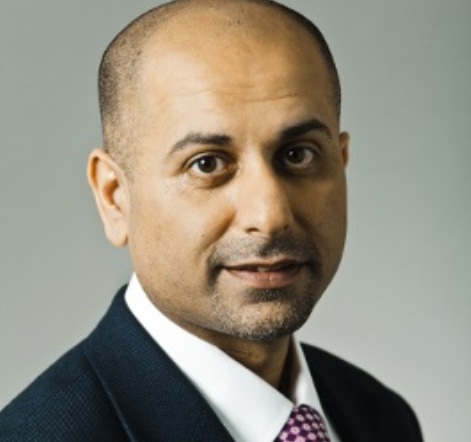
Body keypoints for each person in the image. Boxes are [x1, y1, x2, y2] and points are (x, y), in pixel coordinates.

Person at [0, 0, 423, 440]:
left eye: (298, 155)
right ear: (114, 197)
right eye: (206, 164)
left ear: (341, 161)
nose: (270, 215)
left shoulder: (379, 416)